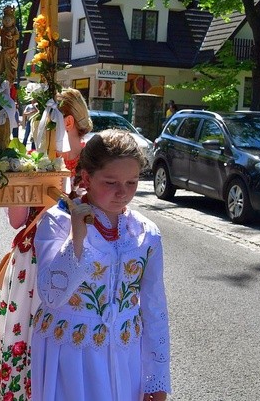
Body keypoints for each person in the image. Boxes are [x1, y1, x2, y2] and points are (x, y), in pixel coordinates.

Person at [31, 129, 171, 401]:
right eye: (110, 182)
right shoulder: (57, 222)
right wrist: (77, 239)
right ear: (86, 178)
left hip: (125, 354)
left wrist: (157, 379)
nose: (122, 192)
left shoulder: (145, 234)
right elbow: (51, 295)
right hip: (70, 353)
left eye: (132, 183)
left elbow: (154, 307)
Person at [0, 88, 93, 401]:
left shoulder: (94, 162)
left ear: (66, 121)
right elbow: (17, 220)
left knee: (65, 343)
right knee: (23, 338)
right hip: (29, 266)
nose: (37, 126)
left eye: (45, 119)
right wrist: (16, 179)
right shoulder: (35, 161)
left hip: (74, 260)